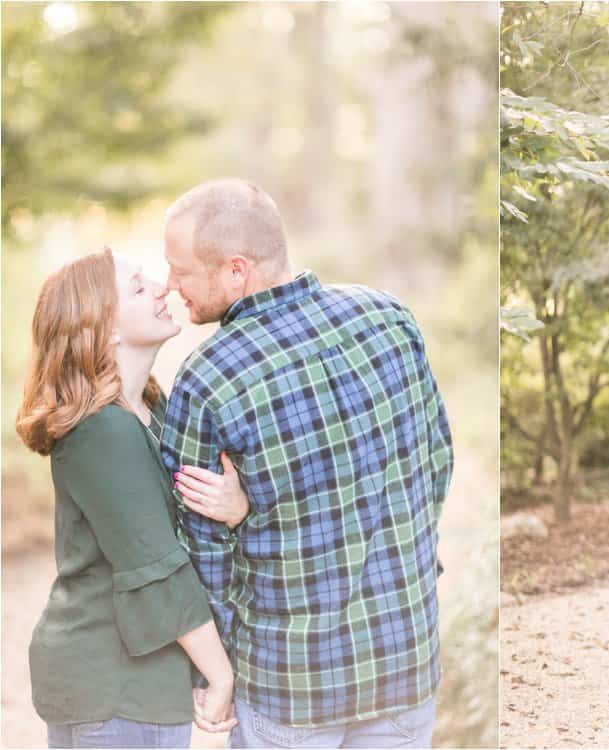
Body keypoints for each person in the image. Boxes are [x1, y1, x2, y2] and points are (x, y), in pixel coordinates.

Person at [158, 178, 453, 748]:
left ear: (236, 270)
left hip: (290, 684)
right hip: (406, 657)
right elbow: (436, 460)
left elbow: (200, 550)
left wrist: (210, 676)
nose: (171, 286)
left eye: (182, 271)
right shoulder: (389, 316)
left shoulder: (208, 376)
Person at [16, 249, 245, 748]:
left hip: (139, 680)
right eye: (139, 288)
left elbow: (184, 527)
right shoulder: (103, 431)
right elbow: (155, 565)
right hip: (111, 683)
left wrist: (236, 507)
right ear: (104, 330)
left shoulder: (151, 413)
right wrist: (219, 674)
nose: (163, 287)